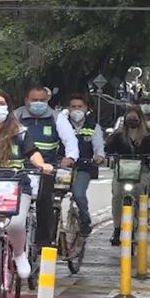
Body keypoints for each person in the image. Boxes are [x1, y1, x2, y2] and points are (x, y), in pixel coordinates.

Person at [0, 88, 53, 280]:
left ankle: (19, 254)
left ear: (8, 107)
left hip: (18, 187)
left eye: (1, 104)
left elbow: (33, 152)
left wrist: (42, 164)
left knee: (15, 224)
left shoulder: (21, 132)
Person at [13, 85, 78, 248]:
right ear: (26, 101)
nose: (38, 103)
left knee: (45, 203)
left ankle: (43, 243)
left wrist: (69, 157)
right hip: (19, 169)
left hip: (46, 170)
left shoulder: (57, 118)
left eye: (42, 100)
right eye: (34, 100)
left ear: (48, 100)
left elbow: (70, 140)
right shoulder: (16, 116)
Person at [104, 105, 150, 246]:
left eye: (135, 119)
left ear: (140, 119)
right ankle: (117, 228)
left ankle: (140, 219)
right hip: (121, 169)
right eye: (129, 119)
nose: (132, 121)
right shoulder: (118, 135)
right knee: (117, 195)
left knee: (140, 193)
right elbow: (107, 147)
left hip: (141, 169)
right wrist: (105, 153)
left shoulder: (148, 134)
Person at [114, 95, 150, 220]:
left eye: (148, 103)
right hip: (130, 160)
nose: (145, 105)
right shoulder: (125, 121)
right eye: (142, 103)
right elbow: (116, 136)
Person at [63, 93, 105, 235]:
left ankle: (85, 220)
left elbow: (98, 145)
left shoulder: (93, 126)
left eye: (80, 107)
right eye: (73, 107)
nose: (76, 110)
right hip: (63, 168)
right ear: (68, 108)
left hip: (84, 167)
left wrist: (99, 156)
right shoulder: (61, 123)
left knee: (79, 193)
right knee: (51, 197)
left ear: (86, 108)